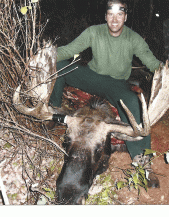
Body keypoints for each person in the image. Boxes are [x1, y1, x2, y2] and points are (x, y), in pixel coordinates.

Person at [49, 0, 162, 187]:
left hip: (116, 85)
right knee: (60, 65)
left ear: (125, 16)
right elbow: (69, 50)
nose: (115, 19)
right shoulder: (94, 31)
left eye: (120, 14)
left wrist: (168, 69)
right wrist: (48, 54)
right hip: (92, 77)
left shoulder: (133, 38)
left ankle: (143, 163)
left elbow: (152, 62)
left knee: (135, 106)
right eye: (111, 13)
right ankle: (54, 109)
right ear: (105, 16)